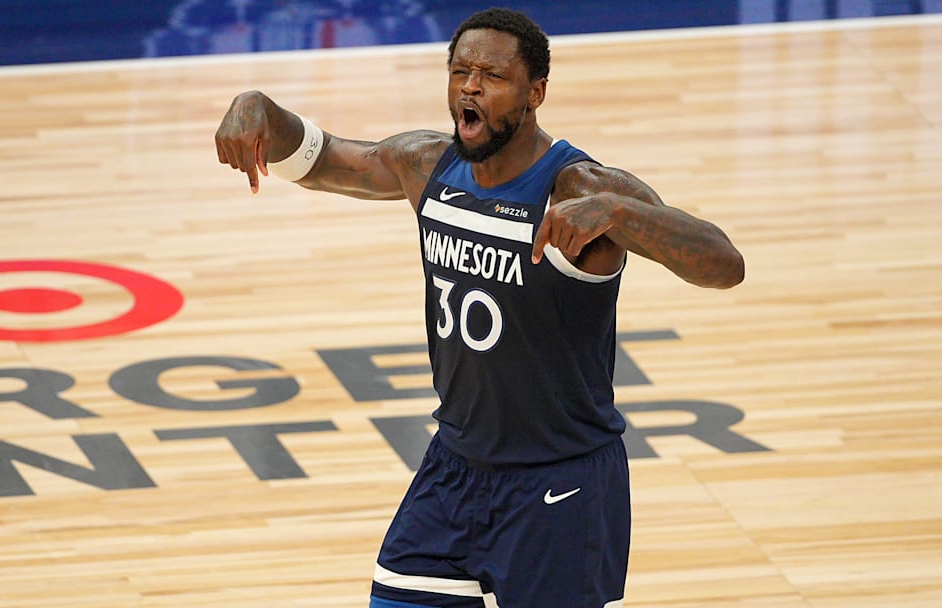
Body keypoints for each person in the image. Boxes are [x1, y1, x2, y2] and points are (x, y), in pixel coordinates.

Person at [215, 7, 744, 608]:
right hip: (454, 471)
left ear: (535, 93)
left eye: (491, 76)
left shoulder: (580, 186)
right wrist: (258, 105)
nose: (470, 86)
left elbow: (725, 265)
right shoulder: (427, 164)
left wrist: (622, 215)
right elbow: (321, 159)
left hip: (560, 483)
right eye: (459, 71)